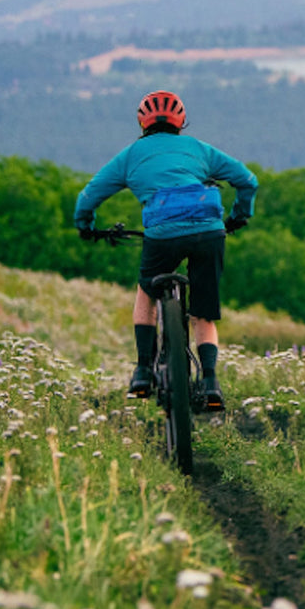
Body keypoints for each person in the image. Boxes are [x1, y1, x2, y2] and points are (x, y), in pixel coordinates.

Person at [73, 89, 257, 410]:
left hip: (162, 232)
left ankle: (143, 372)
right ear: (182, 122)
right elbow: (248, 181)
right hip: (208, 230)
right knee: (203, 311)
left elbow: (89, 196)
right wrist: (238, 217)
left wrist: (86, 226)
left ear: (142, 123)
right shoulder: (199, 149)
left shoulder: (130, 156)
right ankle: (211, 381)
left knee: (147, 291)